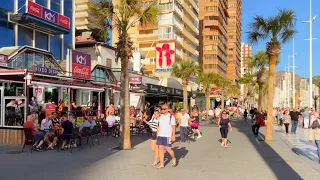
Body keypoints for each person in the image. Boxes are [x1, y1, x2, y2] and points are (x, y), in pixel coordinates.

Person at [156, 104, 177, 169]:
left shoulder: (171, 117)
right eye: (162, 109)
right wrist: (157, 134)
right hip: (160, 135)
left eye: (164, 109)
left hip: (168, 136)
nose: (163, 110)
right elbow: (158, 126)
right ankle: (162, 164)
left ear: (167, 109)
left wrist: (173, 136)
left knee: (168, 149)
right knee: (161, 149)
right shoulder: (160, 116)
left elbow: (173, 127)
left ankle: (173, 158)